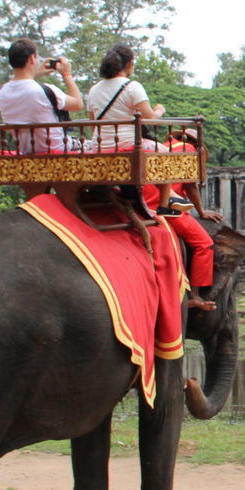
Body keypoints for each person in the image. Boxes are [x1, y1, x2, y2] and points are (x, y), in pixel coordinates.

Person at [144, 125, 222, 310]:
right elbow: (191, 186)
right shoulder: (190, 151)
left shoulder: (159, 146)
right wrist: (202, 212)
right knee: (204, 244)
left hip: (141, 203)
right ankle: (194, 295)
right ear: (196, 143)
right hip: (164, 207)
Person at [0, 37, 83, 152]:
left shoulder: (2, 93)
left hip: (26, 152)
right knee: (91, 145)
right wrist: (66, 75)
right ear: (32, 58)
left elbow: (22, 86)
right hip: (58, 151)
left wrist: (35, 74)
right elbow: (78, 104)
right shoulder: (45, 90)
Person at [86, 45, 166, 151]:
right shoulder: (132, 86)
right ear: (129, 64)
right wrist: (159, 110)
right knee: (166, 151)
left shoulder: (94, 89)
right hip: (127, 145)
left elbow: (93, 125)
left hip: (99, 146)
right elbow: (152, 118)